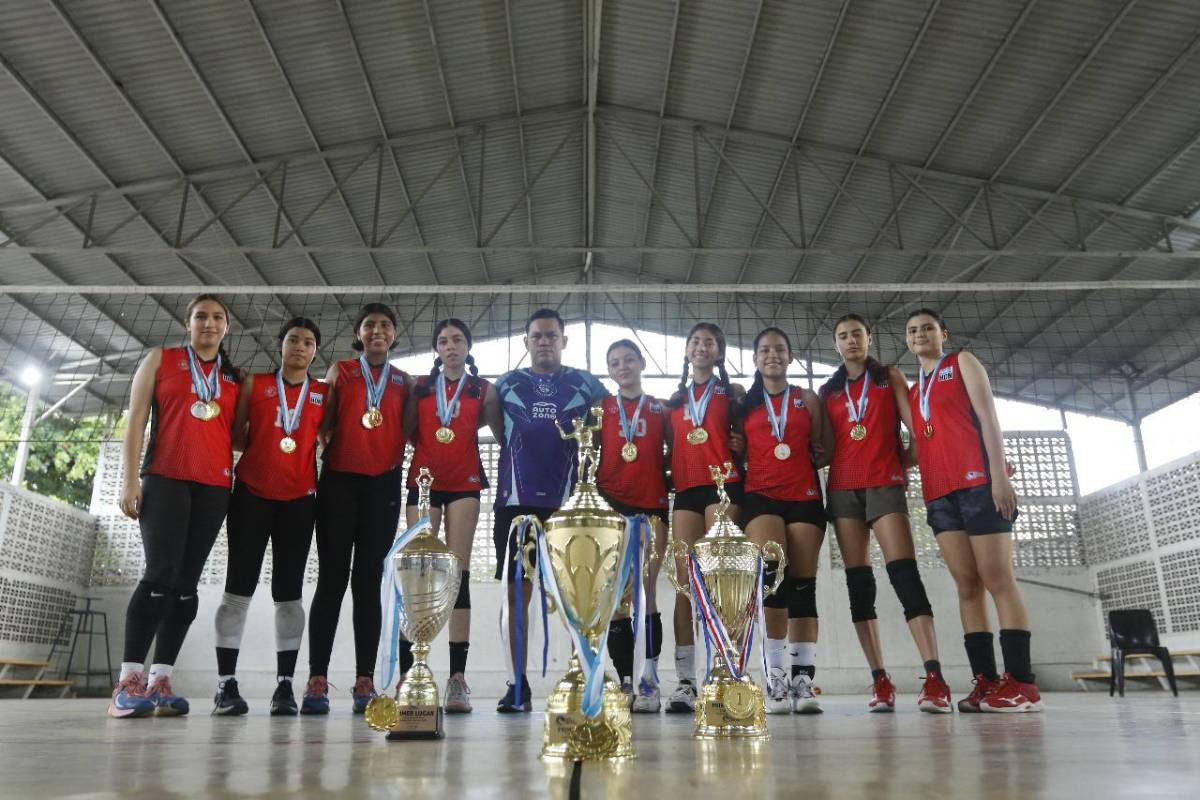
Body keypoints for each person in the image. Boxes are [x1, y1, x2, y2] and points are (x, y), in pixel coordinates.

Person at [112, 294, 242, 718]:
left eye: (217, 317)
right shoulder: (161, 359)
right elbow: (134, 420)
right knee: (158, 576)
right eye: (201, 316)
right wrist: (130, 479)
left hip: (214, 487)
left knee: (187, 584)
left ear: (227, 328)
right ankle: (129, 681)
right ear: (188, 323)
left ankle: (160, 680)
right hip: (165, 478)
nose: (209, 323)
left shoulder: (233, 378)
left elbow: (237, 436)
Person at [905, 308, 1041, 712]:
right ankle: (986, 679)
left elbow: (988, 418)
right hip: (938, 494)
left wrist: (999, 475)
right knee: (966, 584)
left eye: (927, 328)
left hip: (978, 485)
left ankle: (1024, 684)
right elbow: (921, 444)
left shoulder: (962, 361)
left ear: (943, 333)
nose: (919, 335)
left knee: (997, 577)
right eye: (912, 331)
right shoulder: (915, 390)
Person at [821, 313, 949, 713]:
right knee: (860, 585)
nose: (851, 341)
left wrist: (905, 463)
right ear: (836, 345)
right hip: (843, 489)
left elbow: (917, 429)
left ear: (869, 339)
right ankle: (880, 680)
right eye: (843, 336)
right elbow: (824, 447)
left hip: (883, 484)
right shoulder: (828, 391)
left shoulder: (888, 377)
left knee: (904, 574)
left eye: (857, 334)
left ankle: (935, 677)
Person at [492, 308, 609, 713]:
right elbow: (498, 431)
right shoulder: (505, 385)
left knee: (579, 595)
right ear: (526, 342)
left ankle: (584, 677)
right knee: (517, 595)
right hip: (515, 505)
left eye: (551, 336)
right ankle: (517, 684)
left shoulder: (587, 384)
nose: (544, 342)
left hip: (571, 507)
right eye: (537, 336)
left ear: (563, 341)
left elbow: (613, 422)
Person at [211, 318, 326, 717]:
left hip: (299, 501)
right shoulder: (255, 385)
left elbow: (325, 439)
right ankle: (225, 684)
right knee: (237, 588)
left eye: (308, 342)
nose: (300, 346)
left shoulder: (323, 394)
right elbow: (237, 431)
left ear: (315, 352)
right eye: (293, 339)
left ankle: (284, 687)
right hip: (251, 496)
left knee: (289, 592)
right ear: (280, 344)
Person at [302, 303, 412, 715]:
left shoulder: (405, 381)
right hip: (339, 482)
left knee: (368, 584)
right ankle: (317, 676)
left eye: (385, 325)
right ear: (359, 333)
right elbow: (323, 423)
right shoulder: (342, 372)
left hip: (383, 487)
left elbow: (417, 432)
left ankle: (364, 676)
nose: (378, 331)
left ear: (394, 335)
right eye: (370, 325)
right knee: (331, 580)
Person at [401, 318, 501, 714]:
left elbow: (500, 432)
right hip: (423, 481)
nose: (451, 346)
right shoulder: (420, 387)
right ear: (436, 349)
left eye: (458, 340)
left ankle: (457, 678)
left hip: (465, 482)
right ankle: (410, 672)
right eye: (443, 341)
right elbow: (410, 430)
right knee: (417, 572)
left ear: (468, 346)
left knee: (457, 574)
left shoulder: (482, 389)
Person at [737, 327, 827, 715]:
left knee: (803, 587)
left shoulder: (807, 399)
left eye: (780, 349)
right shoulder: (745, 403)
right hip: (760, 498)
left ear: (790, 358)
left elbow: (823, 450)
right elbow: (734, 447)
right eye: (764, 350)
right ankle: (774, 678)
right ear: (755, 359)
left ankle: (803, 680)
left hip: (805, 497)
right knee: (773, 581)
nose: (772, 355)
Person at [663, 322, 744, 713]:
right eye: (694, 341)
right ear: (686, 351)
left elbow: (750, 440)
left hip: (723, 485)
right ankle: (685, 680)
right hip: (686, 491)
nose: (700, 347)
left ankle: (724, 671)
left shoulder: (734, 393)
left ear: (719, 351)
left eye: (708, 341)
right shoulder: (674, 402)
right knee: (684, 583)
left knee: (718, 580)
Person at [595, 339, 670, 712]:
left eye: (628, 360)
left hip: (653, 506)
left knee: (647, 593)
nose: (622, 367)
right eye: (614, 362)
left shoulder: (661, 409)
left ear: (642, 363)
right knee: (617, 599)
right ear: (609, 371)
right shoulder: (602, 408)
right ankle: (625, 678)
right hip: (611, 506)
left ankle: (650, 679)